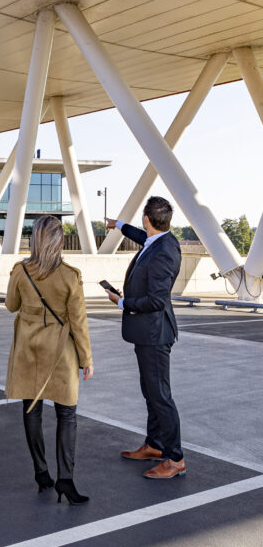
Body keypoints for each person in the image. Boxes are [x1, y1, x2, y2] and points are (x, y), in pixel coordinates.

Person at [5, 215, 94, 505]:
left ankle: (42, 473)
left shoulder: (20, 270)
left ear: (35, 240)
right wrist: (86, 359)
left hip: (28, 349)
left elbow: (10, 306)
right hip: (61, 351)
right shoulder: (70, 275)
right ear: (58, 240)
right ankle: (65, 480)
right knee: (67, 414)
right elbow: (79, 322)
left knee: (32, 409)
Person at [104, 196, 185, 479]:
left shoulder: (164, 251)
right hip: (147, 333)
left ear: (147, 219)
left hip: (155, 334)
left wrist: (121, 302)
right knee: (151, 392)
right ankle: (155, 444)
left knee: (160, 396)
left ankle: (175, 459)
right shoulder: (157, 240)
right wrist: (118, 225)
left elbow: (156, 300)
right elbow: (142, 236)